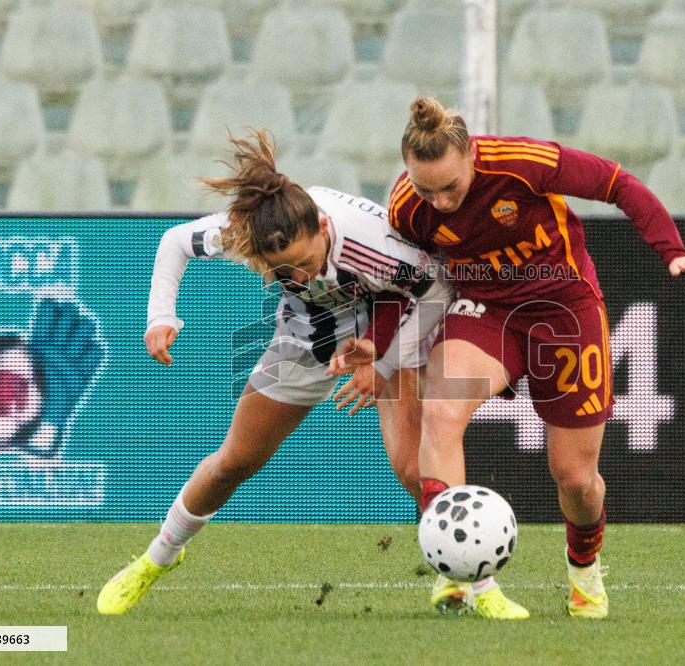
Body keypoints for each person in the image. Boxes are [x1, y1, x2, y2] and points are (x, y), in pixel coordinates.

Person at [365, 97, 685, 620]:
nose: (440, 202)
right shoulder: (406, 206)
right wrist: (378, 344)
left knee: (575, 478)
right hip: (484, 309)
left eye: (451, 187)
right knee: (440, 414)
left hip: (563, 308)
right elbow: (399, 278)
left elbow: (617, 183)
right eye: (426, 189)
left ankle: (584, 569)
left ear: (471, 158)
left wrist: (672, 250)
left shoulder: (521, 163)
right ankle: (463, 578)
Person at [97, 129, 452, 615]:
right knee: (234, 461)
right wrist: (161, 316)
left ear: (324, 229)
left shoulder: (372, 244)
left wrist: (385, 359)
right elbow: (175, 241)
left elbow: (436, 291)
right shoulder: (249, 232)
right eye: (284, 272)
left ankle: (462, 582)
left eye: (305, 263)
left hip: (386, 327)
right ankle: (156, 559)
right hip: (307, 335)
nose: (299, 277)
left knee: (415, 467)